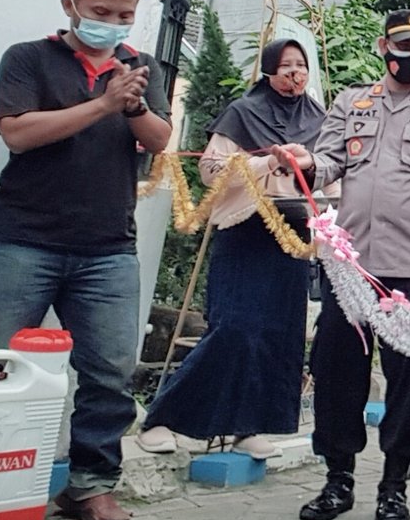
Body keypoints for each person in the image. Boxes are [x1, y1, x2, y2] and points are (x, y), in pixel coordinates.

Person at [0, 0, 173, 520]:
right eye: (101, 11)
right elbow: (17, 133)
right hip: (21, 241)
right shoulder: (29, 58)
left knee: (110, 372)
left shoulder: (141, 66)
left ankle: (91, 486)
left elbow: (160, 139)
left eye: (125, 15)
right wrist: (103, 105)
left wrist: (133, 105)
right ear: (71, 6)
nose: (113, 23)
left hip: (108, 249)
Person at [281, 10, 410, 520]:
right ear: (383, 46)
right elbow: (328, 163)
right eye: (402, 44)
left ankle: (394, 486)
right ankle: (338, 479)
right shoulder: (352, 102)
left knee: (409, 380)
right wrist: (304, 163)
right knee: (335, 370)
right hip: (351, 265)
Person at [138, 39, 325, 459]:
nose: (294, 73)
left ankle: (249, 427)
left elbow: (330, 171)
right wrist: (267, 162)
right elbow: (210, 171)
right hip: (245, 229)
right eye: (285, 65)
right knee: (234, 329)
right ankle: (165, 417)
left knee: (278, 334)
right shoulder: (243, 112)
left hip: (293, 234)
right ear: (268, 70)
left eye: (301, 65)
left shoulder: (319, 117)